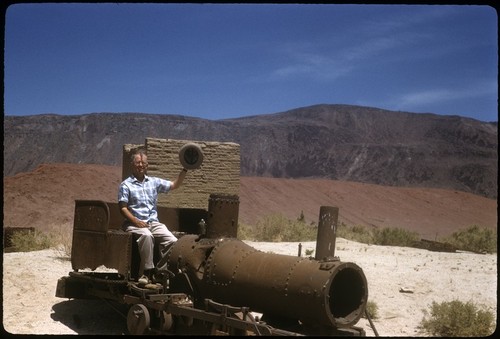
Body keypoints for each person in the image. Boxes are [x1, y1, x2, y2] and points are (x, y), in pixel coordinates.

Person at [118, 149, 187, 285]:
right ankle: (146, 272)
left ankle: (160, 272)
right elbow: (123, 208)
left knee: (172, 240)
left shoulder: (153, 182)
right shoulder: (126, 185)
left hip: (153, 223)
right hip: (133, 223)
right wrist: (136, 221)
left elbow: (174, 185)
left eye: (143, 163)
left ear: (147, 165)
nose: (141, 165)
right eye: (138, 162)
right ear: (132, 165)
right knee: (147, 236)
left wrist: (185, 169)